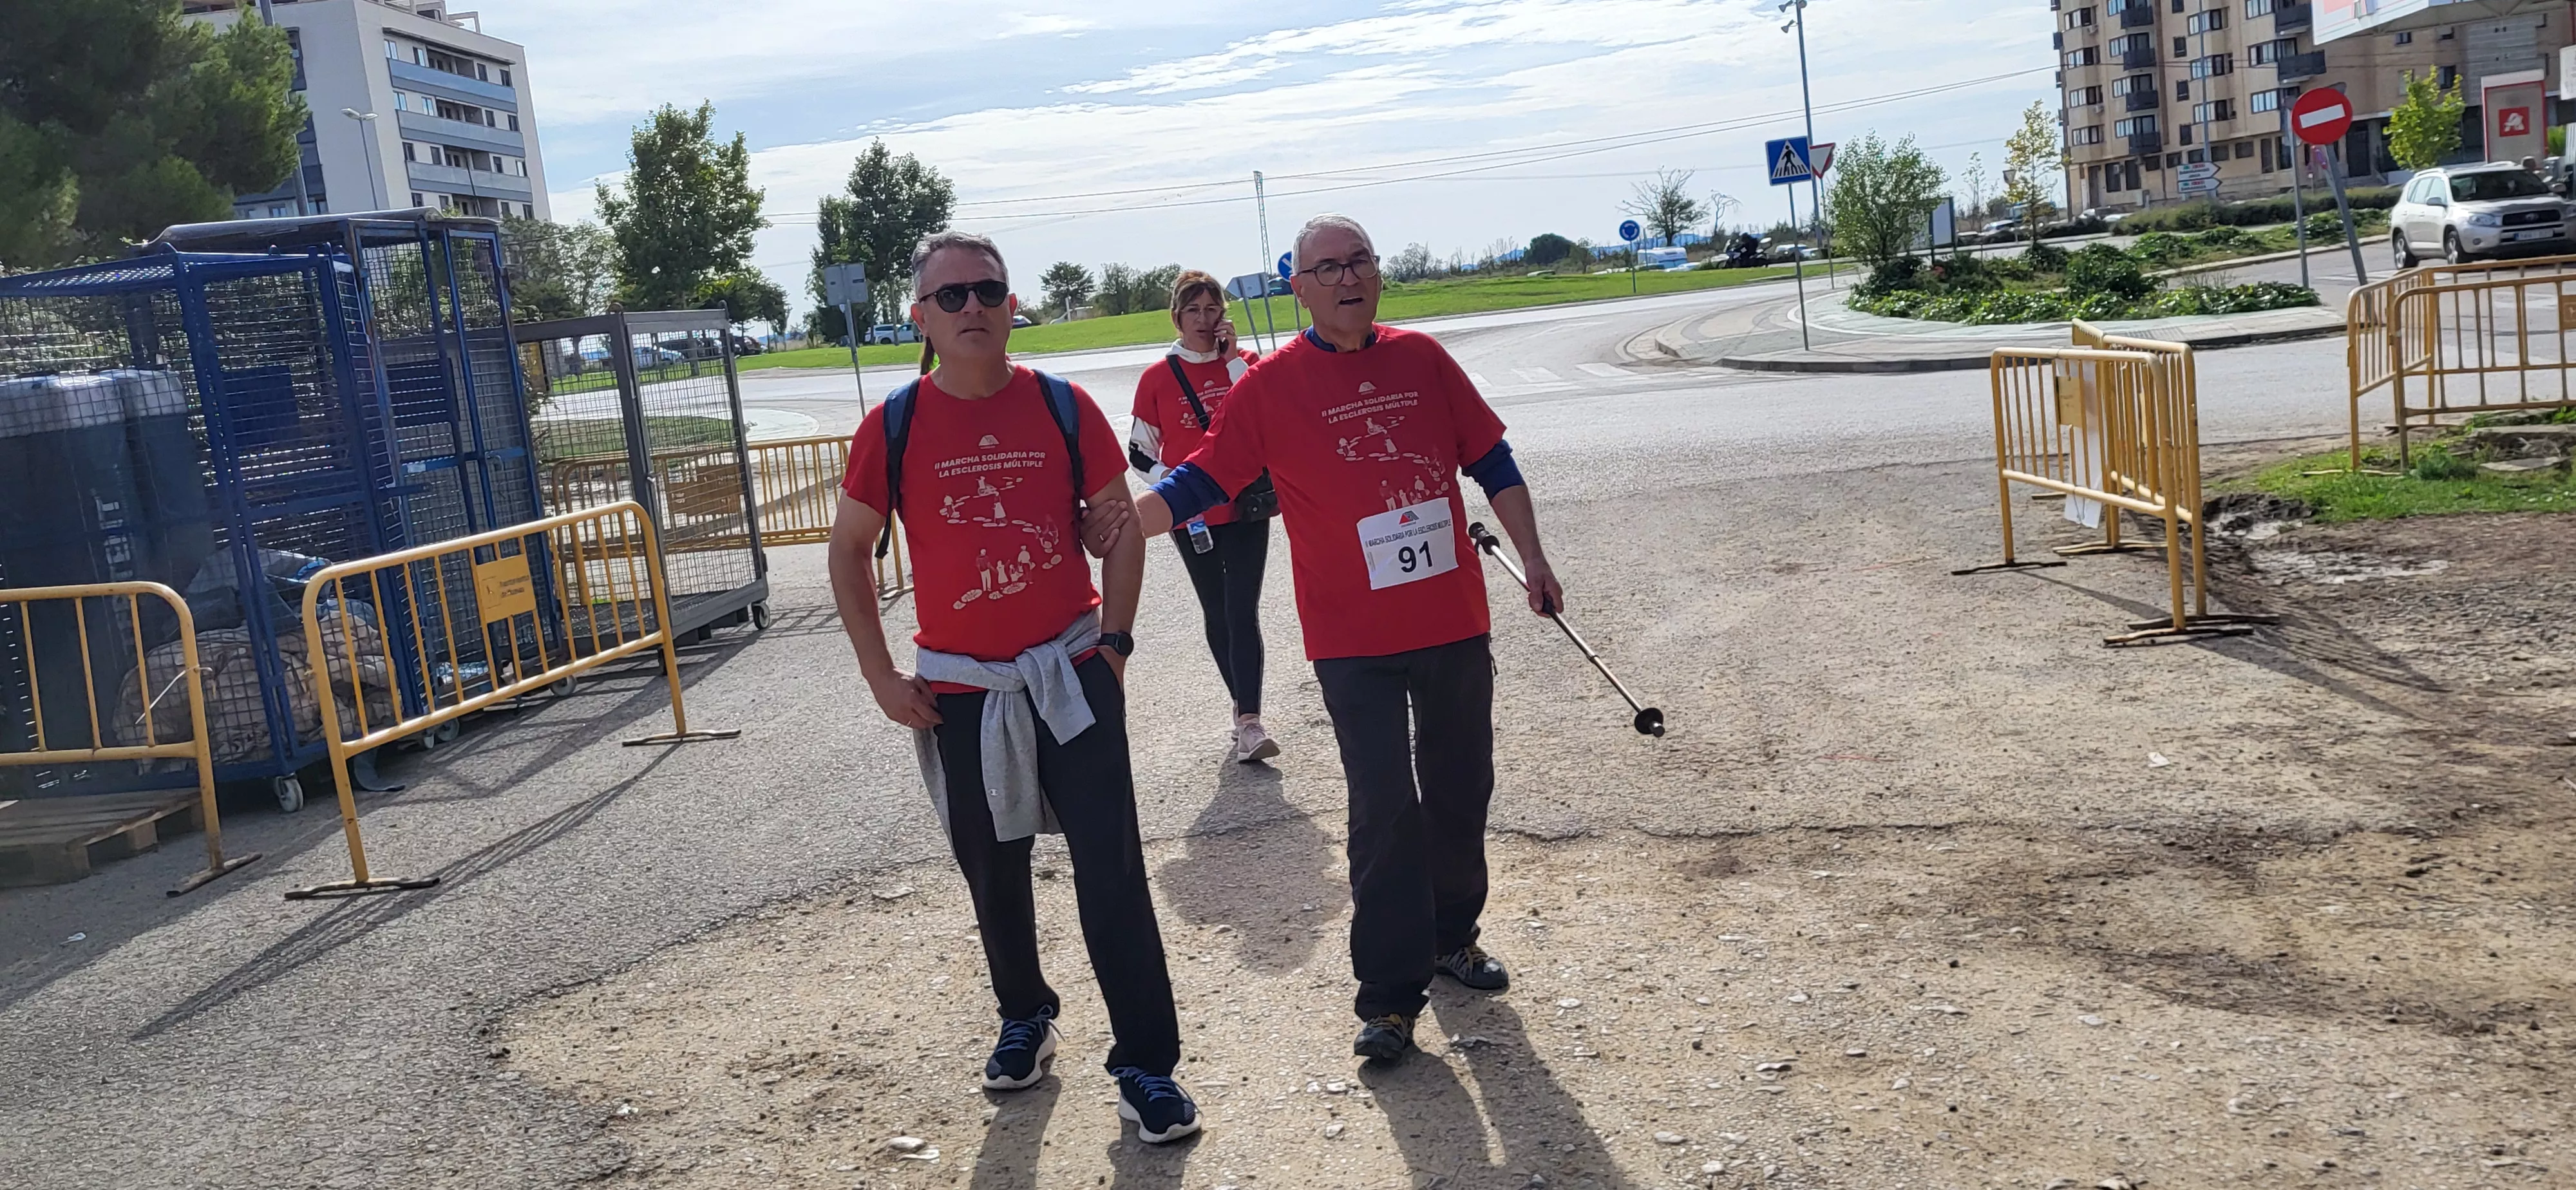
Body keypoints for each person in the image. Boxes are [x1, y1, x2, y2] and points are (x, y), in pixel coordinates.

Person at [1126, 213, 1563, 1064]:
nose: (1348, 277)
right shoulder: (1270, 386)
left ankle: (1451, 936)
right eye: (1327, 267)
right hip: (1351, 638)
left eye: (1360, 260)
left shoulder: (1423, 359)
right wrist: (1119, 526)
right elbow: (1203, 476)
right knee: (1384, 808)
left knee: (1461, 783)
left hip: (1452, 620)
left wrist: (1535, 559)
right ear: (1298, 287)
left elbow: (1495, 462)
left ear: (1378, 273)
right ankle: (1389, 998)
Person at [826, 230, 1200, 1142]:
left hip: (1069, 672)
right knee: (993, 868)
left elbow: (1119, 528)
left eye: (987, 291)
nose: (972, 309)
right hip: (958, 692)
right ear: (919, 315)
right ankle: (1024, 1015)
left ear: (1012, 302)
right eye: (950, 297)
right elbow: (848, 552)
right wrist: (880, 675)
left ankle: (1146, 1066)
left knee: (1110, 871)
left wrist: (1113, 641)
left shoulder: (1065, 407)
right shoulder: (896, 425)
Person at [1128, 270, 1279, 764]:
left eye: (1212, 309)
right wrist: (1180, 486)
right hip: (1192, 518)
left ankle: (1250, 721)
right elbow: (1139, 453)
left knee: (1242, 609)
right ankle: (1241, 708)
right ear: (1176, 318)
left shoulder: (1245, 365)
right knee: (1217, 611)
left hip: (1247, 507)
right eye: (1193, 310)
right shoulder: (1157, 378)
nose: (1203, 319)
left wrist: (1234, 359)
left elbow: (1267, 415)